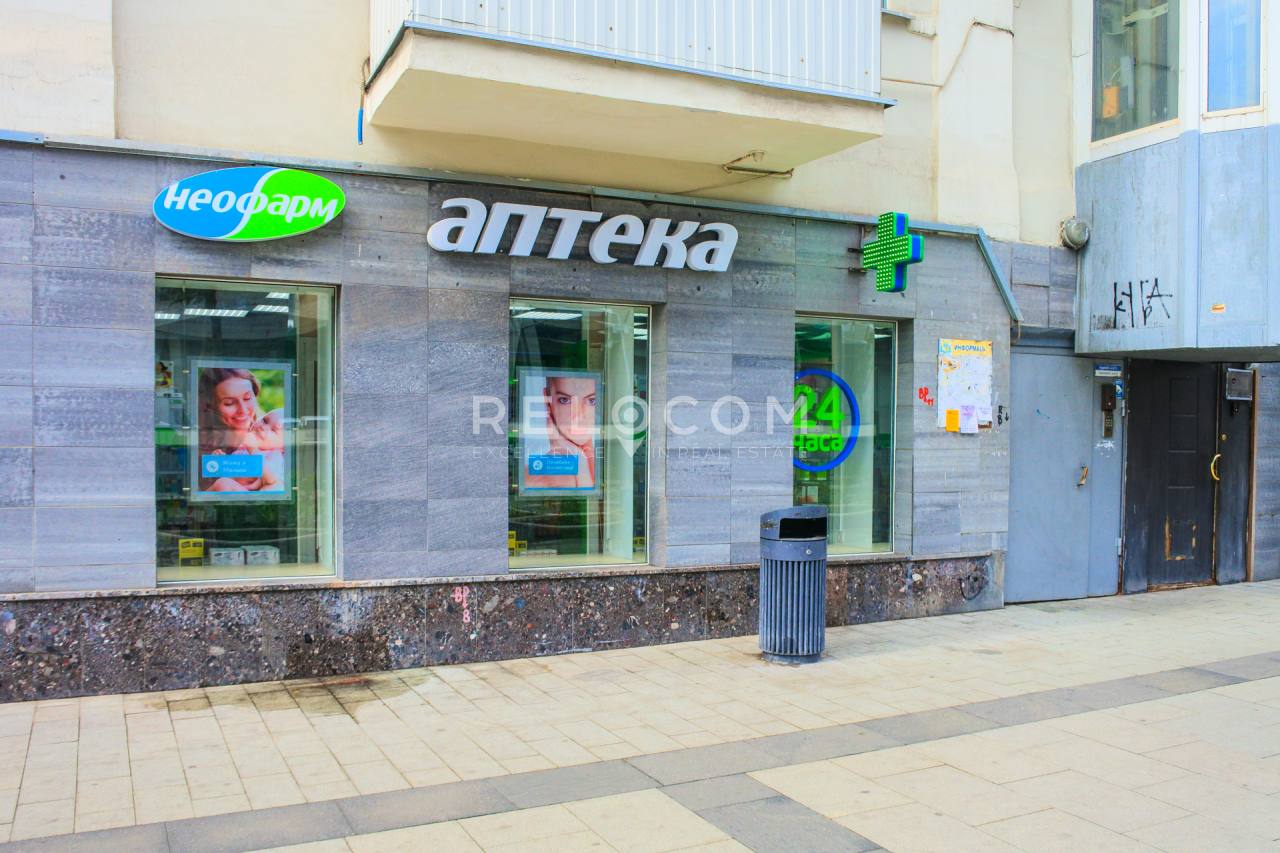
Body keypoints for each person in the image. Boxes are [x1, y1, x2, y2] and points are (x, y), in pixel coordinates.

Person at [198, 367, 285, 493]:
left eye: (247, 398)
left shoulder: (275, 444)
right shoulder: (200, 443)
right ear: (210, 407)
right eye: (229, 403)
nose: (243, 410)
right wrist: (221, 463)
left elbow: (275, 481)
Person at [524, 374, 597, 489]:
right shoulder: (534, 479)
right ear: (547, 400)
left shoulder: (614, 465)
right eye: (565, 400)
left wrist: (580, 464)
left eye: (592, 401)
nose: (578, 417)